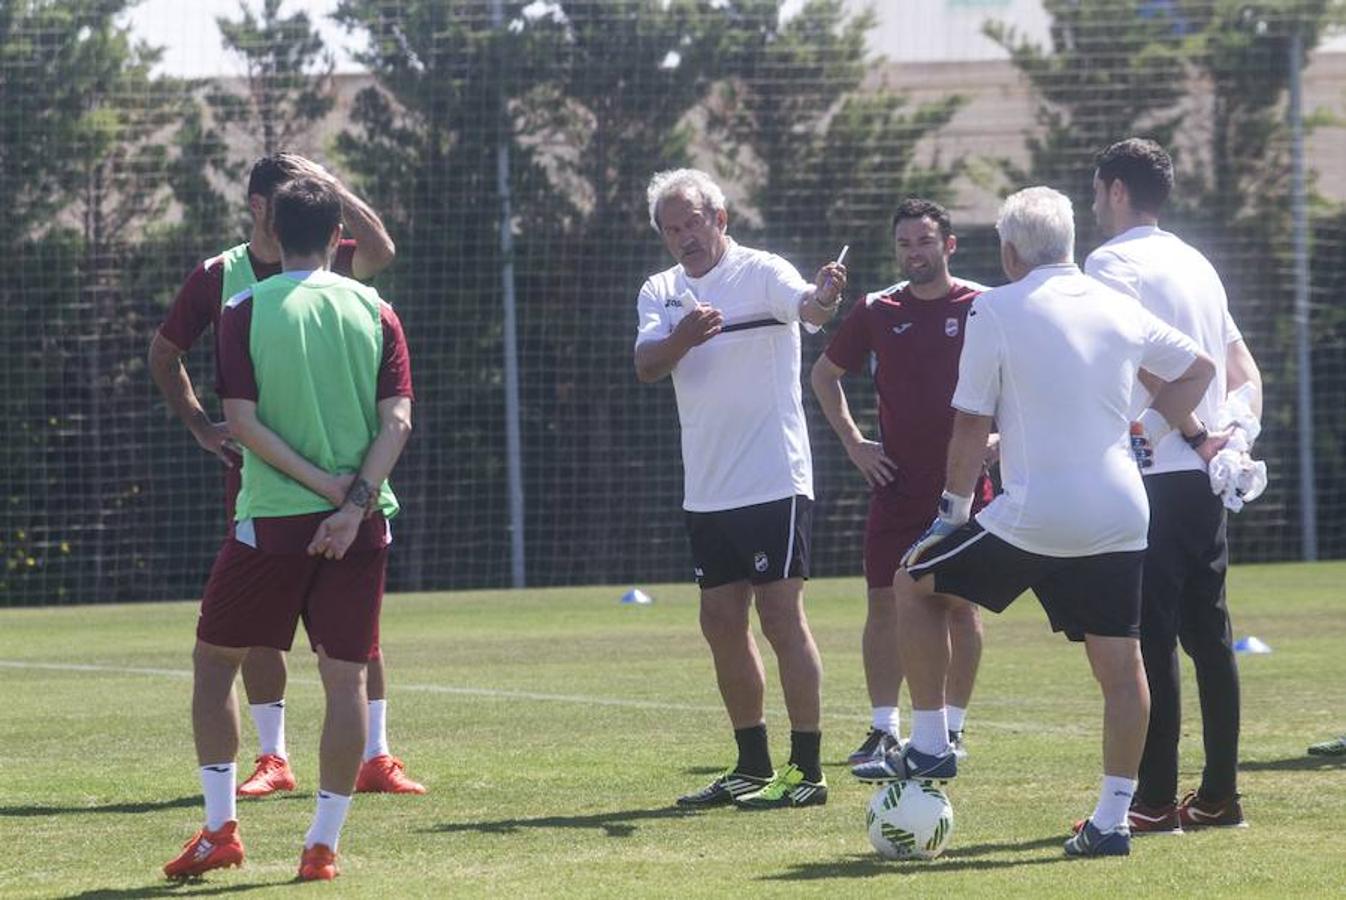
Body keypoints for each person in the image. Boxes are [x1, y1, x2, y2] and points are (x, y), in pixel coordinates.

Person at [854, 186, 1215, 858]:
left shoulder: (993, 306)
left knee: (912, 584)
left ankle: (931, 745)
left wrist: (950, 517)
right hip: (1119, 510)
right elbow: (1198, 369)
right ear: (1071, 243)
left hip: (1035, 511)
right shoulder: (1116, 305)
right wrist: (1152, 429)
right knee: (1121, 664)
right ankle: (1111, 823)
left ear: (1010, 250)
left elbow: (969, 424)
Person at [162, 176, 414, 881]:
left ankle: (220, 830)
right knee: (345, 682)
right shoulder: (378, 310)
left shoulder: (243, 307)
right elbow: (398, 420)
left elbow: (241, 423)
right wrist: (353, 501)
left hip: (270, 522)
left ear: (272, 233)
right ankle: (322, 845)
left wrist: (328, 491)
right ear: (340, 237)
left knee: (214, 666)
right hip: (359, 529)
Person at [634, 168, 845, 810]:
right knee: (720, 621)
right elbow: (646, 364)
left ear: (719, 219)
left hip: (772, 479)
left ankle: (805, 771)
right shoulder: (660, 289)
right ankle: (751, 766)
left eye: (692, 224)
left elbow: (806, 306)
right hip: (708, 488)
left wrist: (826, 296)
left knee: (781, 617)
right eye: (671, 229)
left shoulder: (761, 270)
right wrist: (683, 337)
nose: (682, 239)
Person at [1088, 137, 1263, 832]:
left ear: (1118, 190)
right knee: (1210, 638)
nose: (1095, 202)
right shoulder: (1198, 261)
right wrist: (1234, 435)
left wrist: (1190, 432)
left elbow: (1139, 361)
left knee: (1151, 639)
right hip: (1207, 478)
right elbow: (1243, 369)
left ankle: (1155, 800)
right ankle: (1220, 795)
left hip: (1155, 468)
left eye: (1099, 190)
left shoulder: (1109, 263)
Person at [810, 198, 993, 766]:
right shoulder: (876, 308)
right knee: (884, 603)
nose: (915, 253)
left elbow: (1026, 382)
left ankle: (952, 728)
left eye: (925, 242)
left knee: (961, 606)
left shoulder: (985, 306)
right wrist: (855, 443)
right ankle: (883, 728)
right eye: (904, 244)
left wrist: (1002, 440)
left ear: (949, 245)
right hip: (896, 487)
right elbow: (823, 374)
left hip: (963, 487)